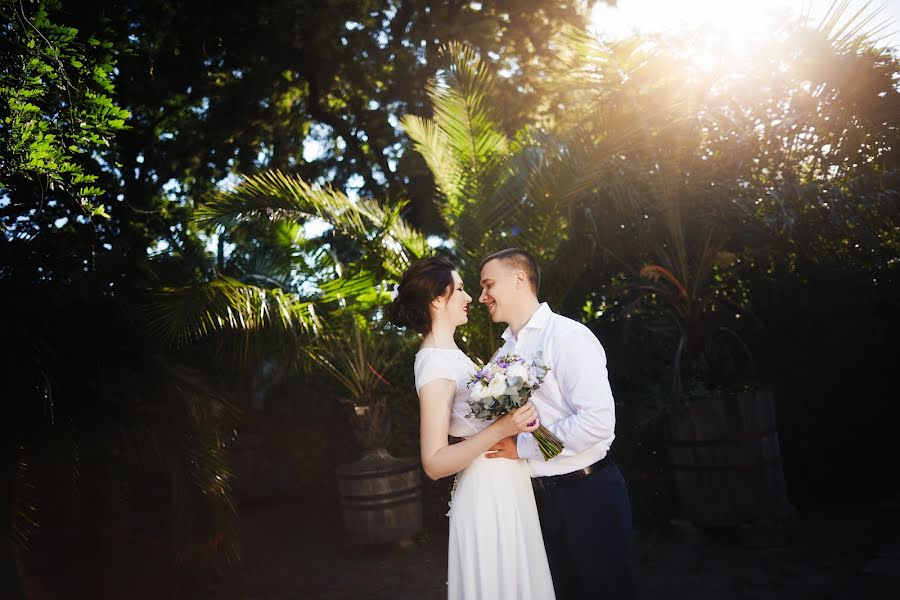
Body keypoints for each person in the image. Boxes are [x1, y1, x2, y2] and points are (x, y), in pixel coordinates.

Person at [388, 256, 556, 600]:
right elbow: (434, 462)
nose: (470, 298)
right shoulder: (434, 362)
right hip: (486, 496)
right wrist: (502, 427)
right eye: (461, 289)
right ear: (437, 299)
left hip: (507, 487)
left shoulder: (452, 354)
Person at [479, 248, 634, 600]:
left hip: (588, 494)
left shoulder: (567, 337)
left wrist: (522, 447)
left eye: (488, 285)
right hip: (534, 502)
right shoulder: (501, 357)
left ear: (519, 279)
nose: (482, 296)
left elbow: (597, 423)